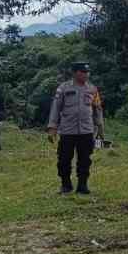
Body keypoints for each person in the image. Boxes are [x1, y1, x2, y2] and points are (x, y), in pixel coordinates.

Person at [47, 62, 104, 195]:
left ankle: (82, 185)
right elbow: (56, 108)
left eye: (87, 72)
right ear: (75, 73)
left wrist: (100, 128)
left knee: (85, 159)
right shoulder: (63, 88)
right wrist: (52, 127)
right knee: (64, 159)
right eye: (83, 72)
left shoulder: (92, 89)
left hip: (86, 130)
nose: (86, 74)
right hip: (67, 131)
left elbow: (98, 109)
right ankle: (66, 185)